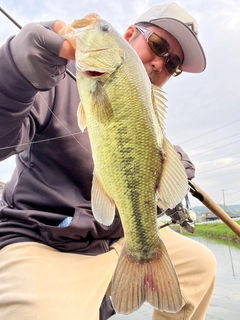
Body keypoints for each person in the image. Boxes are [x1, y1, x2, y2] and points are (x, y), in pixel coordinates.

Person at [0, 2, 216, 320]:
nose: (160, 64)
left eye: (173, 65)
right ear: (129, 35)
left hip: (115, 236)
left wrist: (171, 166)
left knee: (201, 267)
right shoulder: (51, 76)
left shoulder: (149, 111)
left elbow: (133, 183)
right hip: (46, 240)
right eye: (157, 45)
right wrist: (14, 77)